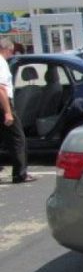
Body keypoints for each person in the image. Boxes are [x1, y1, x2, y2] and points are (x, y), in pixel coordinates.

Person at [0, 38, 35, 184]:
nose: (11, 54)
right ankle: (20, 174)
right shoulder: (1, 62)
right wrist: (7, 111)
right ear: (7, 49)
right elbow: (1, 89)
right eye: (12, 51)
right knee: (17, 139)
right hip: (3, 104)